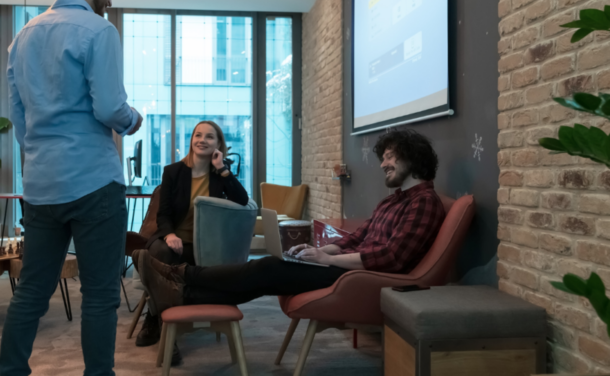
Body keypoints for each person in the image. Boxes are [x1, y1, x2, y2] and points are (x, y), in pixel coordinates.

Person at [0, 0, 142, 375]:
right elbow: (111, 109)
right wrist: (135, 119)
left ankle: (11, 372)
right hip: (94, 182)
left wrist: (40, 153)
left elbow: (18, 117)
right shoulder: (99, 31)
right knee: (99, 295)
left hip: (42, 185)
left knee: (31, 292)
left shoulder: (22, 37)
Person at [133, 129, 446, 315]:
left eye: (391, 156)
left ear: (413, 158)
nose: (383, 164)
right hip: (353, 269)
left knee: (267, 269)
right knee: (264, 277)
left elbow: (393, 258)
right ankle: (180, 294)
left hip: (367, 278)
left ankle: (181, 276)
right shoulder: (391, 201)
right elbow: (358, 238)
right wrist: (323, 249)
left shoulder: (424, 202)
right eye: (384, 157)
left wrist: (326, 258)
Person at [135, 121, 249, 364]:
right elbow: (163, 213)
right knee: (159, 252)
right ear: (191, 140)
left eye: (210, 137)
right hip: (174, 239)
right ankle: (165, 328)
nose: (202, 140)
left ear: (219, 145)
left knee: (166, 262)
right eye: (198, 135)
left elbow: (242, 201)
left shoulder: (220, 173)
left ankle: (155, 317)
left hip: (205, 244)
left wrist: (222, 169)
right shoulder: (173, 171)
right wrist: (170, 234)